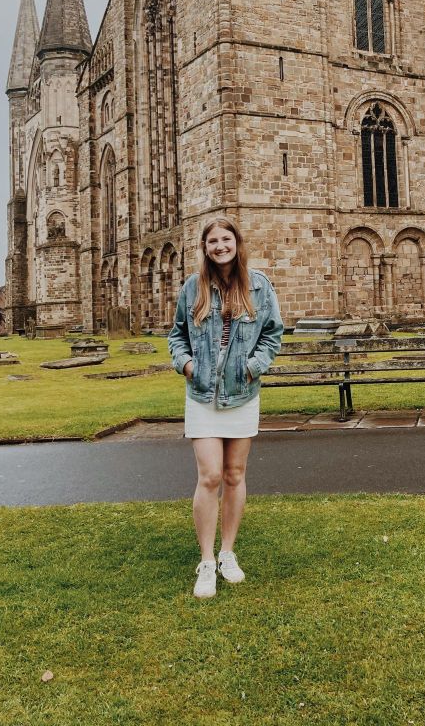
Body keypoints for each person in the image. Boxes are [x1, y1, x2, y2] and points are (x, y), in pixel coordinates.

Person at [168, 217, 283, 598]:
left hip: (241, 392)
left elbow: (272, 334)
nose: (220, 246)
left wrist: (252, 367)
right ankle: (206, 561)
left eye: (226, 239)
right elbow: (177, 335)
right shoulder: (193, 287)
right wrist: (187, 365)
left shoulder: (259, 285)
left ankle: (227, 553)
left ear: (237, 242)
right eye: (213, 241)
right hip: (202, 394)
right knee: (210, 476)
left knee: (234, 474)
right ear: (205, 247)